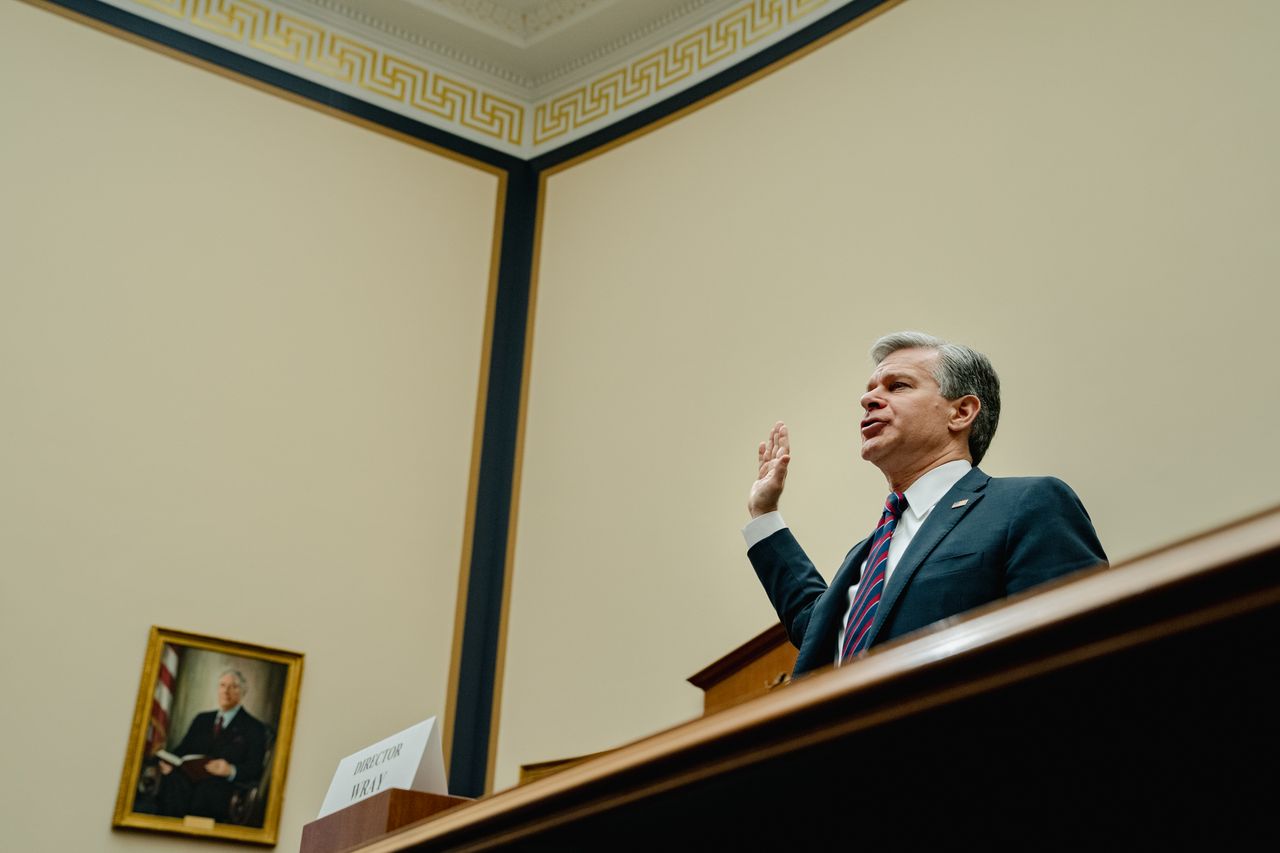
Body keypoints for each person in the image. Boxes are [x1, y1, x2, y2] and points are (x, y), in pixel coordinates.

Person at [746, 331, 1106, 677]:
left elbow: (1078, 649)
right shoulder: (867, 553)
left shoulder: (1028, 504)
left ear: (961, 412)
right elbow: (816, 633)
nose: (868, 399)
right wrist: (764, 516)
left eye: (897, 386)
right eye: (869, 391)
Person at [157, 669, 268, 821]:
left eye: (233, 686)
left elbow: (255, 767)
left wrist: (231, 770)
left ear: (243, 692)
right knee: (172, 780)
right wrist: (169, 762)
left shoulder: (254, 728)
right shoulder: (202, 719)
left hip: (221, 786)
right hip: (187, 780)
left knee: (206, 791)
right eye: (222, 685)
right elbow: (182, 750)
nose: (226, 691)